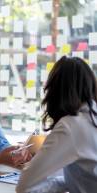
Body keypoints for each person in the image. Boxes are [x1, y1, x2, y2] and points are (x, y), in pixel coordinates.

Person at [16, 56, 97, 193]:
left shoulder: (71, 126)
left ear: (55, 90)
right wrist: (66, 183)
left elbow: (25, 188)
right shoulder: (91, 117)